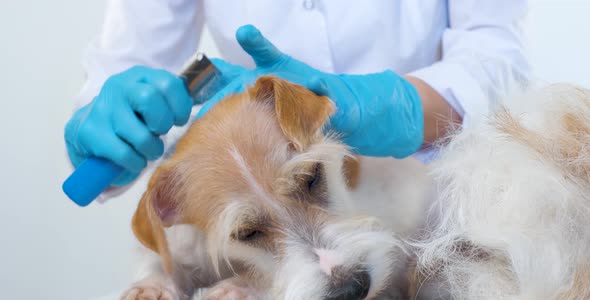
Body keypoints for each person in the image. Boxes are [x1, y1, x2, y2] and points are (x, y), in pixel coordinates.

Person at [65, 0, 530, 191]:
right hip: (277, 223)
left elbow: (495, 53)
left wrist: (392, 108)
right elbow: (129, 62)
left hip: (434, 201)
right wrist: (107, 125)